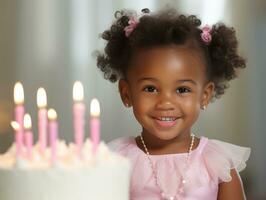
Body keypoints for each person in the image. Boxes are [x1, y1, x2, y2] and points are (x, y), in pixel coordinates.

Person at [96, 7, 251, 200]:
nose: (166, 102)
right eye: (151, 88)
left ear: (205, 95)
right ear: (126, 93)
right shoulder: (116, 161)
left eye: (182, 90)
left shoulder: (216, 164)